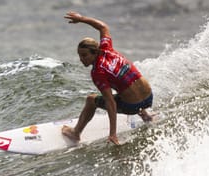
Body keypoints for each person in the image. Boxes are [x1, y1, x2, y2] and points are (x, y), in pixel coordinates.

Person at [61, 11, 154, 145]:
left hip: (133, 106)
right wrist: (81, 19)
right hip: (149, 97)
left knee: (91, 100)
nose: (81, 59)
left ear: (94, 53)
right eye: (80, 55)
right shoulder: (107, 48)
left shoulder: (98, 72)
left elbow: (111, 103)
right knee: (123, 84)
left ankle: (75, 133)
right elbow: (103, 27)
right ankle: (146, 116)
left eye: (85, 55)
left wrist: (113, 134)